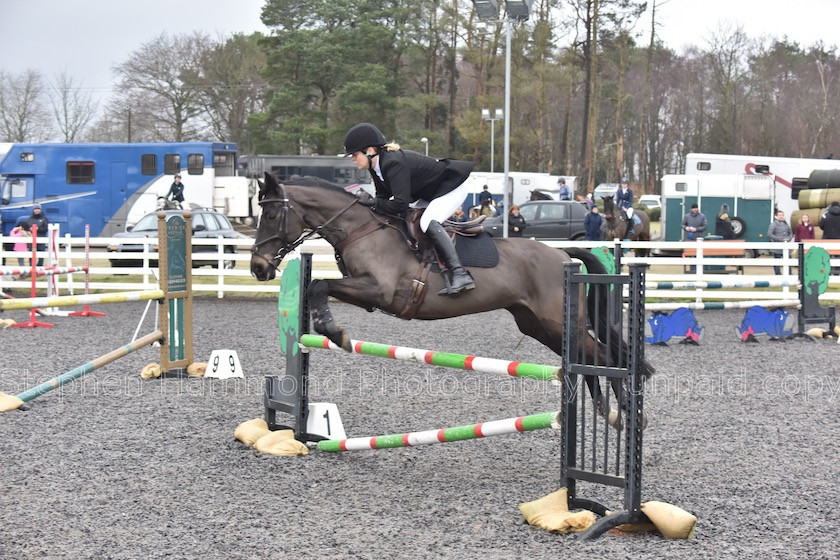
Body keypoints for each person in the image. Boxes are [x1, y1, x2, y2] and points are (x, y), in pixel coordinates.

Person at [344, 122, 476, 296]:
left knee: (427, 222)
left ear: (369, 151)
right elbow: (383, 198)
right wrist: (372, 204)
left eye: (354, 155)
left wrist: (373, 202)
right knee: (409, 219)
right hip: (431, 193)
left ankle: (460, 274)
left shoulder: (393, 163)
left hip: (451, 187)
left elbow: (399, 204)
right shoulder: (377, 167)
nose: (353, 159)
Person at [767, 209, 793, 275]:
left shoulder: (786, 224)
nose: (781, 216)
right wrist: (779, 239)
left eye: (782, 215)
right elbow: (769, 234)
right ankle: (778, 274)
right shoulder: (773, 224)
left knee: (788, 260)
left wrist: (788, 239)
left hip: (786, 246)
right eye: (779, 215)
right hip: (777, 247)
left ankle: (789, 273)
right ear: (776, 216)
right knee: (777, 261)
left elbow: (791, 233)